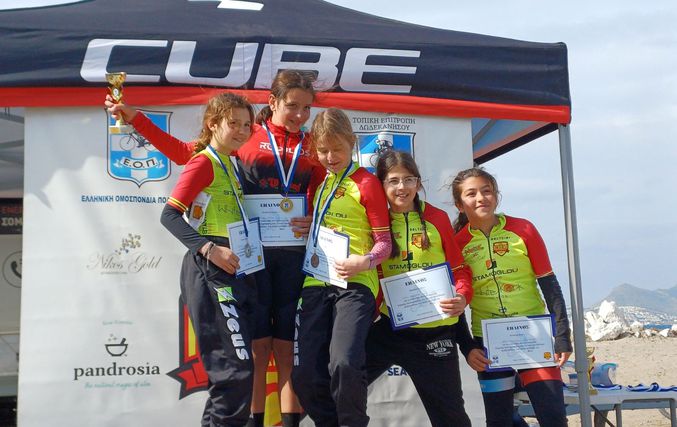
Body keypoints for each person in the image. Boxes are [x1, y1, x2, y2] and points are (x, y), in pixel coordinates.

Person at [106, 70, 324, 427]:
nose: (299, 115)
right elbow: (182, 154)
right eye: (292, 106)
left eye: (306, 108)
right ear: (273, 103)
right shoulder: (241, 140)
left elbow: (329, 194)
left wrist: (314, 217)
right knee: (249, 356)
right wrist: (135, 118)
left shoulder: (308, 147)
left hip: (284, 258)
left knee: (283, 353)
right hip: (243, 259)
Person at [160, 92, 257, 426]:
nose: (242, 131)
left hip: (234, 269)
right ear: (213, 124)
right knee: (234, 370)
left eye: (247, 125)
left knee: (233, 371)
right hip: (209, 268)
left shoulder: (232, 163)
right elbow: (169, 216)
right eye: (234, 123)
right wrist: (209, 249)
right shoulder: (203, 162)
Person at [291, 108, 392, 427]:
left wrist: (366, 261)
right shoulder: (322, 184)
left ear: (352, 142)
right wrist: (311, 225)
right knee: (304, 374)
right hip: (316, 283)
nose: (330, 157)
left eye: (337, 149)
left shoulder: (367, 182)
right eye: (323, 150)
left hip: (356, 285)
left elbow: (385, 243)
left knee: (344, 363)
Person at [451, 167, 572, 427]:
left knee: (552, 416)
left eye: (486, 191)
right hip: (488, 342)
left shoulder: (523, 229)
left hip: (533, 335)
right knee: (499, 421)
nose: (481, 198)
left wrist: (562, 336)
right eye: (471, 194)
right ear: (459, 205)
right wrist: (468, 346)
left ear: (496, 195)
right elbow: (455, 302)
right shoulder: (457, 244)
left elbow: (550, 285)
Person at [365, 149, 478, 427]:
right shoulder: (374, 221)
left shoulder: (437, 218)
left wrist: (462, 296)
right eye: (393, 181)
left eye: (408, 180)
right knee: (339, 386)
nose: (401, 187)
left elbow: (459, 270)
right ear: (381, 185)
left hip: (434, 335)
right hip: (389, 329)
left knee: (451, 418)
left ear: (418, 183)